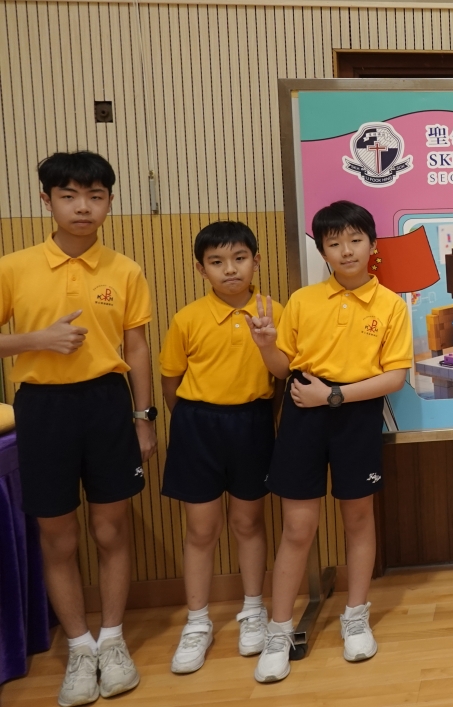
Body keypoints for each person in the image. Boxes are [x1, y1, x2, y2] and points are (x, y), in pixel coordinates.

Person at [0, 152, 154, 706]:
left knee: (111, 529)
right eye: (69, 196)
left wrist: (143, 418)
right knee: (57, 535)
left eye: (95, 196)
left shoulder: (125, 269)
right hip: (41, 407)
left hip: (108, 404)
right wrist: (35, 340)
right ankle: (79, 647)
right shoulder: (13, 267)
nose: (83, 207)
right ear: (47, 200)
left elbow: (137, 347)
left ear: (109, 201)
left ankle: (112, 640)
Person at [248, 201, 411, 683]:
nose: (346, 250)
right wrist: (266, 344)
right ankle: (279, 631)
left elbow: (394, 378)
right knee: (298, 527)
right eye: (334, 243)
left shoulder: (390, 305)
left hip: (355, 413)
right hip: (303, 410)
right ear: (322, 250)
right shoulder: (303, 301)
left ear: (372, 245)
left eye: (355, 240)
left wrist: (334, 396)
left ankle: (355, 617)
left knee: (358, 518)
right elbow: (283, 370)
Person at [159, 221, 281, 674]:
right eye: (216, 262)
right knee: (201, 529)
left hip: (253, 423)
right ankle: (197, 621)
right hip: (197, 425)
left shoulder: (274, 311)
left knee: (248, 522)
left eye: (239, 259)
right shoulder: (187, 318)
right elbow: (170, 381)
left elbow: (283, 374)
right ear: (201, 268)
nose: (230, 269)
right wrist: (191, 422)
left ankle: (253, 609)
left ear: (256, 261)